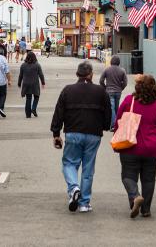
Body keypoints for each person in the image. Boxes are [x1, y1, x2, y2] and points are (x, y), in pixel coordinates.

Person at [51, 61, 112, 213]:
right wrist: (104, 126)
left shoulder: (68, 90)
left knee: (69, 163)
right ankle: (84, 203)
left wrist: (56, 133)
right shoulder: (100, 91)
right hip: (93, 134)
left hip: (73, 132)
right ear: (91, 74)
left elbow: (59, 112)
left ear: (77, 74)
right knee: (88, 169)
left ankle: (74, 188)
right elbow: (108, 113)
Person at [114, 75, 156, 219]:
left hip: (130, 146)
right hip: (152, 149)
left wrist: (116, 136)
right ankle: (146, 210)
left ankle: (135, 196)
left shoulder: (128, 101)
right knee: (149, 179)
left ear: (137, 88)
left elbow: (118, 121)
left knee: (127, 176)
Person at [100, 55, 128, 126]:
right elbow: (125, 82)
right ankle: (117, 122)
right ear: (119, 62)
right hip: (118, 92)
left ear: (111, 62)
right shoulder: (122, 70)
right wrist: (121, 88)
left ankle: (113, 124)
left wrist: (105, 87)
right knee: (116, 108)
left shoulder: (107, 70)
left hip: (109, 91)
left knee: (111, 108)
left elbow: (101, 80)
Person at [19, 51, 45, 118]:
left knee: (28, 98)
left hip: (26, 84)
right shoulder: (37, 65)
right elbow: (41, 75)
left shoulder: (23, 65)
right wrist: (43, 83)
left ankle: (28, 114)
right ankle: (33, 108)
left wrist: (19, 83)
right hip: (34, 84)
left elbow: (20, 75)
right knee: (37, 96)